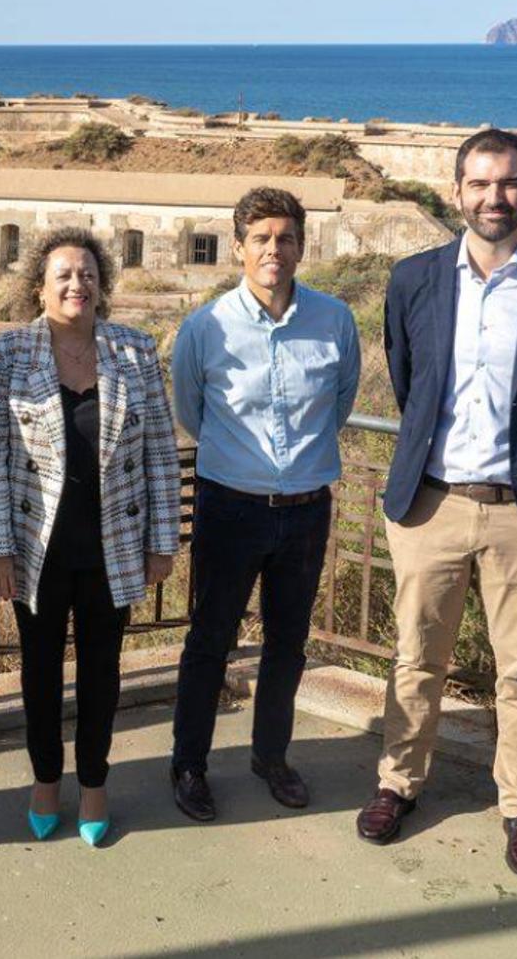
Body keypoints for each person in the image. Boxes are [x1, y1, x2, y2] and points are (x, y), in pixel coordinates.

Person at [356, 129, 517, 880]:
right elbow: (410, 380)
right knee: (415, 659)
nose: (493, 197)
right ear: (457, 189)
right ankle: (398, 783)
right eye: (479, 183)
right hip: (431, 506)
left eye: (508, 183)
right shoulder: (415, 280)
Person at [0, 227, 180, 847]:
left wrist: (162, 541)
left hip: (112, 546)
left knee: (102, 673)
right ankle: (43, 780)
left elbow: (162, 455)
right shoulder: (8, 354)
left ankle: (93, 784)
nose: (75, 284)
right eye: (62, 274)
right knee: (39, 672)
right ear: (40, 286)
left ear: (101, 285)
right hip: (37, 551)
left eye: (87, 274)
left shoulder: (136, 352)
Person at [169, 189, 360, 822]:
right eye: (261, 238)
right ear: (238, 246)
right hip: (230, 507)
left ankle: (270, 757)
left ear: (302, 246)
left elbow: (339, 402)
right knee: (210, 639)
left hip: (306, 510)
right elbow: (192, 413)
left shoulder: (335, 321)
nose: (274, 249)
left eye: (285, 237)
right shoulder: (205, 327)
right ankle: (189, 764)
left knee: (288, 642)